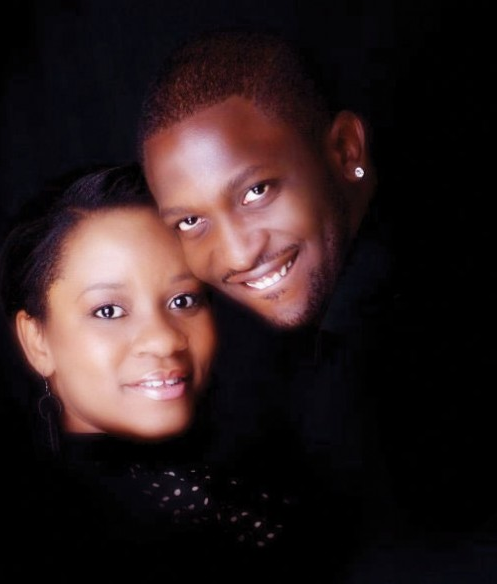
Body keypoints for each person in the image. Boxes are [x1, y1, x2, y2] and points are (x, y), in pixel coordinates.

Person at [137, 28, 497, 568]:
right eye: (190, 222)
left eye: (256, 191)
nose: (237, 254)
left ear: (345, 149)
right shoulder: (324, 342)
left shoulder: (408, 355)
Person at [0, 162, 304, 581]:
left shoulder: (255, 471)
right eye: (108, 310)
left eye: (183, 301)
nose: (164, 340)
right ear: (37, 341)